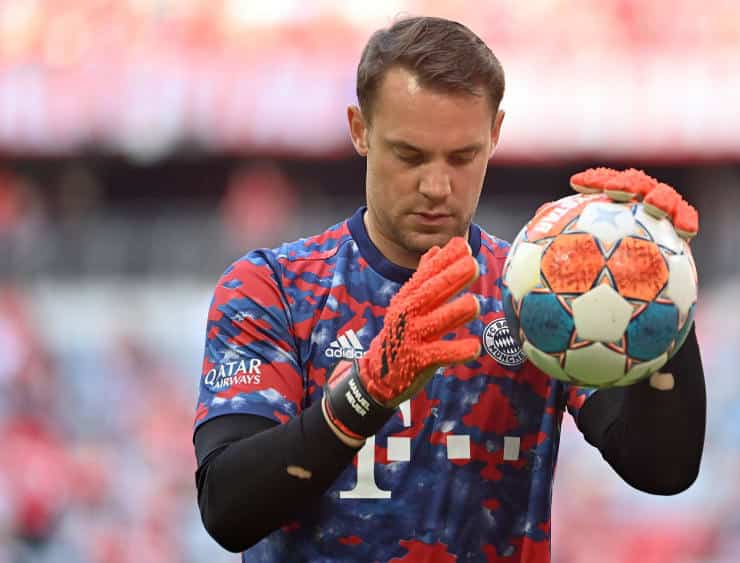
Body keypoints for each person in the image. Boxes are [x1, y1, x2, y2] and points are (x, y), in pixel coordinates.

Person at [193, 16, 706, 562]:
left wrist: (657, 290)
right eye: (409, 155)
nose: (436, 186)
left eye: (462, 157)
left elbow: (662, 470)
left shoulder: (537, 290)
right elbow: (227, 509)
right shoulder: (274, 287)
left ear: (495, 134)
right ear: (360, 129)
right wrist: (368, 392)